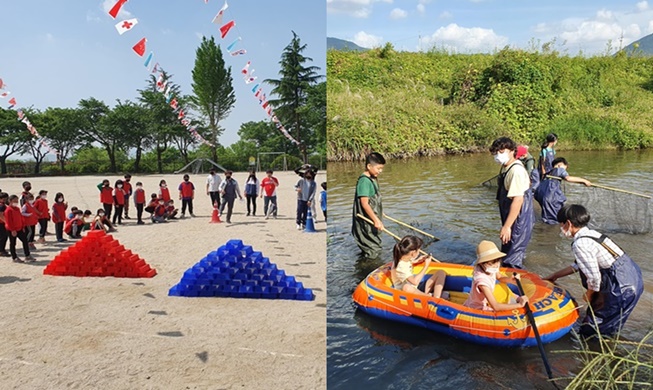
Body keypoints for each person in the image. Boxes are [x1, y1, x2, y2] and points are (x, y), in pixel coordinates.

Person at [544, 205, 643, 336]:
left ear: (568, 223)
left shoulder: (580, 244)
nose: (560, 229)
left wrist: (589, 295)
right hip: (633, 278)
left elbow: (594, 278)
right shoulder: (593, 235)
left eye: (561, 225)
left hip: (620, 287)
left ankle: (592, 350)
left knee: (593, 330)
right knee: (611, 324)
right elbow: (579, 265)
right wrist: (554, 276)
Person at [490, 137, 534, 269]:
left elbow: (518, 199)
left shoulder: (516, 171)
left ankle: (515, 285)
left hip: (519, 218)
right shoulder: (506, 167)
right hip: (510, 215)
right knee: (507, 250)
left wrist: (507, 226)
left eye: (501, 151)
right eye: (495, 152)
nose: (498, 155)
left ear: (512, 151)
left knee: (512, 257)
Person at [463, 240, 528, 311]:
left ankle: (516, 298)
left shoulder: (490, 268)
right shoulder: (482, 281)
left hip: (488, 301)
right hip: (479, 308)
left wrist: (510, 280)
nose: (496, 265)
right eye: (492, 262)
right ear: (482, 263)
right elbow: (496, 307)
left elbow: (499, 277)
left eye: (498, 260)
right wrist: (519, 305)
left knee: (503, 287)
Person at [534, 157, 592, 224]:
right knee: (556, 219)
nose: (565, 170)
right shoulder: (560, 169)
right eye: (565, 168)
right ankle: (553, 232)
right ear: (560, 165)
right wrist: (584, 180)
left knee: (547, 216)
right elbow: (568, 178)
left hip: (540, 195)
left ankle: (543, 230)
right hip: (551, 197)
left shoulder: (549, 172)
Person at [352, 152, 386, 259]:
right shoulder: (364, 182)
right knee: (373, 249)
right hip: (366, 222)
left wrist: (380, 213)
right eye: (378, 168)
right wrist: (376, 220)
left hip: (372, 219)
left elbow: (374, 201)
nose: (380, 171)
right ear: (369, 166)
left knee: (374, 245)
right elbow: (364, 203)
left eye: (382, 169)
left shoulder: (373, 178)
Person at [5, 195, 34, 262]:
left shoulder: (17, 209)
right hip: (12, 229)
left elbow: (21, 218)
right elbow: (9, 221)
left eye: (17, 201)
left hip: (20, 228)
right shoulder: (8, 210)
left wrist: (23, 226)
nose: (16, 202)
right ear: (10, 201)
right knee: (13, 243)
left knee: (25, 241)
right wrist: (12, 230)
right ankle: (14, 257)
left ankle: (27, 255)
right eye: (14, 201)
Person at [0, 192, 9, 257]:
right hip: (1, 223)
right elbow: (1, 215)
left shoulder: (3, 205)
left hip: (2, 222)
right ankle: (1, 250)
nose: (5, 200)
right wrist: (6, 222)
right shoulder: (1, 205)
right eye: (4, 199)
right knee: (3, 237)